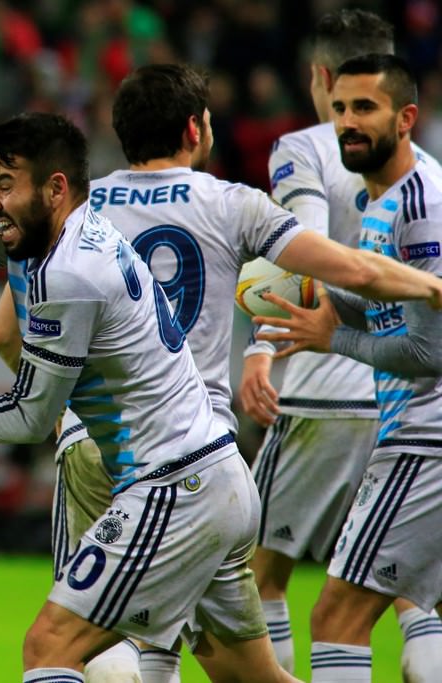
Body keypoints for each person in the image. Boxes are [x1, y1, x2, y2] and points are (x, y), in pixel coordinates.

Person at [0, 63, 442, 683]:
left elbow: (5, 333)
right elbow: (353, 270)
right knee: (243, 673)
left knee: (77, 648)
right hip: (212, 449)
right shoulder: (232, 203)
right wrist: (431, 286)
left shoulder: (74, 211)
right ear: (195, 128)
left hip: (129, 454)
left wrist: (59, 405)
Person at [0, 110, 301, 683]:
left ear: (55, 188)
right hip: (215, 476)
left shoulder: (71, 274)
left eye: (4, 185)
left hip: (172, 486)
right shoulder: (61, 232)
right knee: (253, 679)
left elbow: (29, 417)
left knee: (50, 645)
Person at [237, 10, 442, 679]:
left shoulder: (418, 203)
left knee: (304, 598)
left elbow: (429, 352)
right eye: (344, 108)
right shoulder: (385, 196)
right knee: (415, 598)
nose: (348, 121)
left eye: (365, 108)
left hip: (405, 427)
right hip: (392, 419)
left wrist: (315, 337)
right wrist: (322, 312)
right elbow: (372, 297)